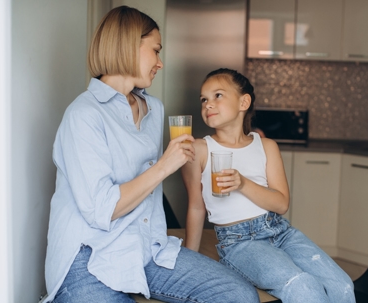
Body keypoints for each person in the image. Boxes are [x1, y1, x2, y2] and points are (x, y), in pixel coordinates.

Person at [44, 7, 259, 303]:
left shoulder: (153, 109)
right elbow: (101, 210)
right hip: (89, 258)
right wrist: (164, 166)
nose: (160, 62)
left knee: (239, 295)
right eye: (155, 50)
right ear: (128, 45)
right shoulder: (83, 115)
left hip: (145, 248)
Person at [182, 68, 356, 303]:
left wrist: (242, 183)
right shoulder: (200, 150)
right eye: (204, 99)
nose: (208, 105)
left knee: (342, 286)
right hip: (239, 243)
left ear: (244, 102)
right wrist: (189, 263)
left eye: (218, 96)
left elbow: (281, 203)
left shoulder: (266, 146)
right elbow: (196, 207)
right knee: (303, 287)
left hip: (280, 231)